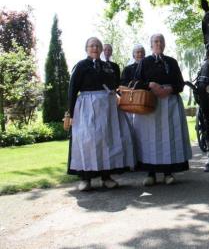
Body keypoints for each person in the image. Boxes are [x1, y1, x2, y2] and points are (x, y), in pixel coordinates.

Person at [67, 37, 135, 191]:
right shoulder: (80, 66)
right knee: (88, 141)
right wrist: (70, 114)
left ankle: (106, 177)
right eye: (92, 46)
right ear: (86, 48)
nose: (95, 48)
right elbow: (72, 90)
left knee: (107, 141)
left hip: (108, 108)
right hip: (86, 108)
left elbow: (116, 86)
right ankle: (86, 179)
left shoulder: (108, 67)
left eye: (97, 45)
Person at [133, 34, 192, 186]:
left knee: (168, 139)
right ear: (151, 45)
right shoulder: (145, 62)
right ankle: (150, 173)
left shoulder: (171, 62)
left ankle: (168, 173)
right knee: (149, 140)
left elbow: (180, 83)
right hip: (150, 105)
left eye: (161, 41)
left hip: (169, 105)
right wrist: (150, 85)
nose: (158, 44)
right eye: (155, 41)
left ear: (164, 44)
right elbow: (135, 82)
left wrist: (170, 89)